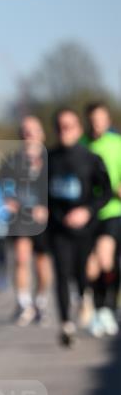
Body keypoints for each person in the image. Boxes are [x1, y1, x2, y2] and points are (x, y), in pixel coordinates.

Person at [47, 108, 111, 347]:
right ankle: (66, 324)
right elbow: (41, 193)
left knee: (82, 273)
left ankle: (84, 296)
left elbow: (104, 192)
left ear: (79, 129)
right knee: (62, 273)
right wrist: (48, 212)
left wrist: (87, 211)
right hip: (58, 227)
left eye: (69, 126)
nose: (65, 131)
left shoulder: (91, 158)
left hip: (86, 228)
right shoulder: (49, 158)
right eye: (60, 127)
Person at [0, 115, 51, 326]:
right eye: (25, 130)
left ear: (42, 134)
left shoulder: (51, 160)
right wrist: (10, 200)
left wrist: (47, 207)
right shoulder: (11, 161)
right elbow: (3, 185)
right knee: (21, 258)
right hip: (20, 217)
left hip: (45, 219)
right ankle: (24, 304)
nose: (29, 134)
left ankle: (41, 301)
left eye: (33, 130)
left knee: (42, 262)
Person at [82, 101, 121, 337]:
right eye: (93, 120)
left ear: (108, 121)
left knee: (105, 258)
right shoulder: (83, 146)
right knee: (91, 267)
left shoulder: (117, 144)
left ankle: (108, 307)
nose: (97, 124)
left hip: (113, 210)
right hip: (89, 212)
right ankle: (99, 309)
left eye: (101, 119)